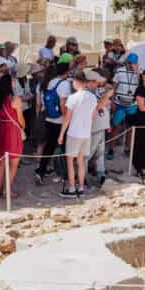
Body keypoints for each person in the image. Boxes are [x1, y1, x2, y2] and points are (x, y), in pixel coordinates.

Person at [57, 69, 100, 198]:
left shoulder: (72, 98)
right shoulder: (93, 97)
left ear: (76, 82)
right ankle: (81, 188)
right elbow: (92, 118)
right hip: (85, 134)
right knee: (81, 162)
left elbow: (67, 118)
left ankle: (71, 189)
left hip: (74, 133)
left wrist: (61, 135)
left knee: (70, 162)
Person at [35, 62, 71, 185]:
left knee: (49, 147)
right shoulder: (64, 84)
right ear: (66, 72)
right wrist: (67, 115)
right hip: (60, 120)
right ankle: (64, 173)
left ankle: (40, 171)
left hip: (49, 118)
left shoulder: (49, 82)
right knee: (64, 147)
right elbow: (62, 104)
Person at [0, 74, 25, 198]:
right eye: (13, 81)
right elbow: (21, 120)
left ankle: (0, 188)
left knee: (1, 162)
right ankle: (7, 191)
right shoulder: (15, 99)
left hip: (1, 128)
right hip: (12, 131)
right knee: (13, 162)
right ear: (10, 83)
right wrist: (22, 126)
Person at [108, 53, 140, 161]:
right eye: (130, 63)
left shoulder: (138, 72)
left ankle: (128, 148)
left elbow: (141, 87)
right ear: (127, 62)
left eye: (134, 63)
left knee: (130, 128)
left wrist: (138, 73)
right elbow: (114, 87)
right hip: (119, 104)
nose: (132, 65)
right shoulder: (120, 71)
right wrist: (112, 102)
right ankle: (111, 149)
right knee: (116, 127)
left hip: (132, 105)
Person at [88, 76, 113, 188]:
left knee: (100, 152)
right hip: (94, 126)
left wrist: (108, 125)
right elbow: (99, 106)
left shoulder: (98, 92)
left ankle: (101, 174)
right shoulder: (90, 93)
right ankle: (81, 175)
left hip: (102, 125)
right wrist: (107, 95)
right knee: (91, 151)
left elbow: (106, 110)